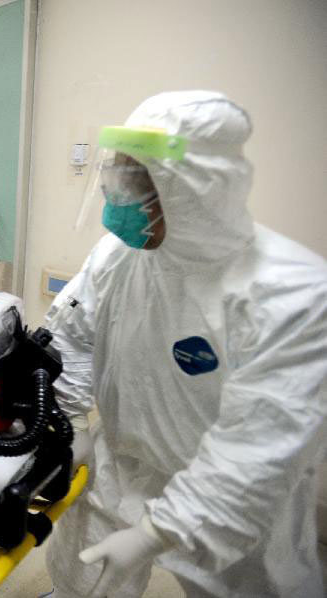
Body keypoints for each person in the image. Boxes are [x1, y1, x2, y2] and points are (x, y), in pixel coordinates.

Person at [43, 91, 326, 598]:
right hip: (124, 461)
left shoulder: (292, 295)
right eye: (117, 177)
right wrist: (66, 419)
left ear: (196, 190)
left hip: (234, 492)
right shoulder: (118, 256)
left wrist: (158, 532)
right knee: (83, 581)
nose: (117, 199)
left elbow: (256, 447)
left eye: (135, 184)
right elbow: (74, 337)